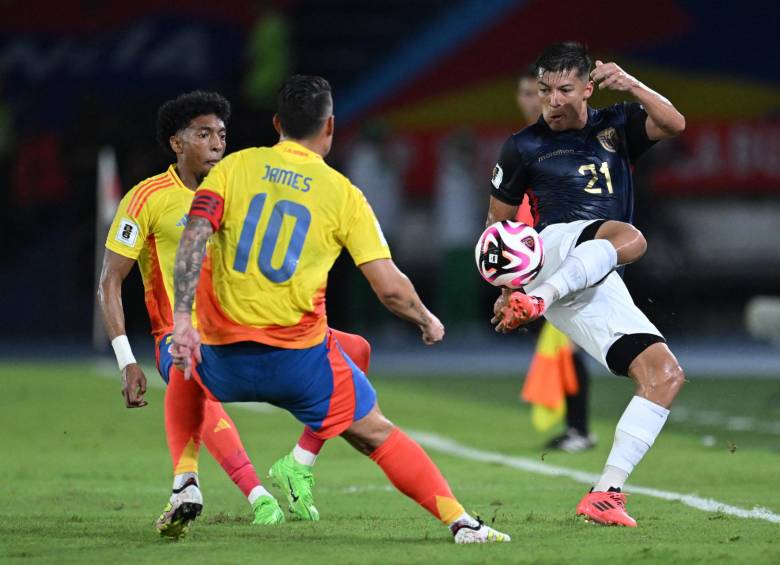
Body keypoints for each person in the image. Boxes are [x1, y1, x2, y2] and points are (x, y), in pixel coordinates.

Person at [167, 75, 510, 544]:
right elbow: (389, 288)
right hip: (298, 365)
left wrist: (183, 320)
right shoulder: (343, 194)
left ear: (275, 124)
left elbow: (193, 237)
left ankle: (187, 478)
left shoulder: (234, 168)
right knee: (377, 432)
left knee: (176, 359)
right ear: (329, 127)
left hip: (222, 360)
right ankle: (461, 523)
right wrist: (426, 319)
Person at [97, 91, 341, 536]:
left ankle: (298, 463)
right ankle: (250, 494)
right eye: (204, 133)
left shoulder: (240, 191)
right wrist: (126, 360)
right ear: (176, 143)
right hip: (179, 335)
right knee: (194, 382)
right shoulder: (146, 198)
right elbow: (110, 281)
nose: (216, 143)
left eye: (222, 135)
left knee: (355, 352)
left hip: (245, 327)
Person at [487, 42, 686, 527]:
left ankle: (606, 493)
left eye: (563, 89)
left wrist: (634, 84)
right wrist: (506, 288)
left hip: (594, 271)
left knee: (663, 375)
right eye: (544, 89)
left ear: (588, 88)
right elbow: (498, 226)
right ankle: (539, 299)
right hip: (554, 248)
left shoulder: (616, 123)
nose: (551, 100)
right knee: (631, 236)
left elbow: (675, 123)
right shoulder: (522, 145)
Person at [515, 64, 595, 452]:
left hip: (574, 255)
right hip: (539, 261)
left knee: (571, 344)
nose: (536, 101)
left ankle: (580, 429)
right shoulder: (525, 146)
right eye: (528, 94)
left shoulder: (571, 141)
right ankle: (576, 426)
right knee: (564, 344)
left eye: (539, 93)